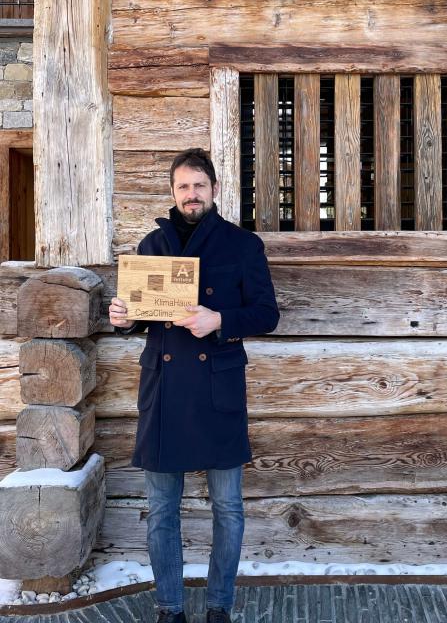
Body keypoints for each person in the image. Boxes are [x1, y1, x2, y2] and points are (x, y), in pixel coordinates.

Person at [109, 148, 280, 623]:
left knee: (228, 507)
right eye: (183, 186)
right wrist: (123, 318)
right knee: (162, 510)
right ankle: (170, 608)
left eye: (199, 185)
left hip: (217, 390)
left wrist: (220, 319)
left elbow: (267, 314)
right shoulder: (151, 247)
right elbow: (143, 317)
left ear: (214, 190)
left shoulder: (243, 246)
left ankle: (219, 606)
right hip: (165, 391)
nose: (191, 194)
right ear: (172, 192)